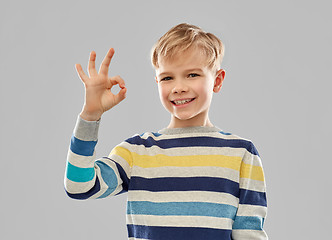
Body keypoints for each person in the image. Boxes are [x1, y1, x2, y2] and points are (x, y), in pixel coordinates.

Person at [65, 23, 268, 239]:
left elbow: (249, 234)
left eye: (192, 75)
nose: (178, 87)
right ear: (157, 82)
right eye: (167, 78)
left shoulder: (241, 154)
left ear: (217, 81)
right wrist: (90, 115)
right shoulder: (137, 152)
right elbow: (79, 186)